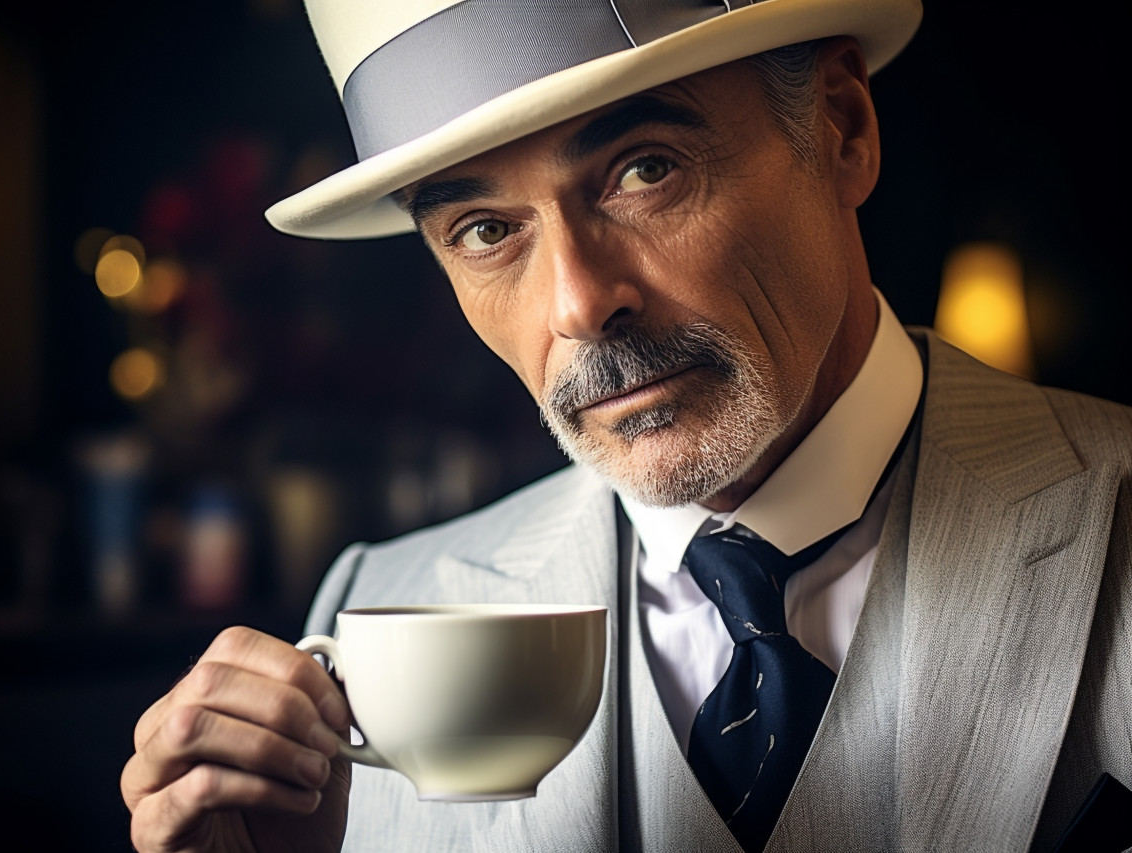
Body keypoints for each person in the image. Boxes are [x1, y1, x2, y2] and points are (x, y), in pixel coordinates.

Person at [121, 1, 1132, 851]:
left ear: (839, 128)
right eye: (483, 230)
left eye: (642, 169)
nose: (575, 304)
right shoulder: (371, 616)